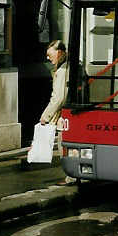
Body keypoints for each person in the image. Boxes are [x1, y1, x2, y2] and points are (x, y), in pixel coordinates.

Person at [39, 40, 75, 184]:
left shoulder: (62, 71)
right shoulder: (74, 66)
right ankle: (73, 175)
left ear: (59, 53)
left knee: (63, 145)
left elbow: (59, 98)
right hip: (73, 113)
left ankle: (71, 176)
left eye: (50, 55)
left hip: (65, 115)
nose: (48, 58)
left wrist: (45, 116)